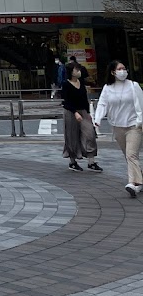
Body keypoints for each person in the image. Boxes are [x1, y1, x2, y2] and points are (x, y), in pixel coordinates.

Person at [94, 60, 143, 198]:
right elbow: (102, 104)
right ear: (113, 72)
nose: (123, 71)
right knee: (128, 156)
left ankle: (133, 183)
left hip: (134, 125)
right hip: (117, 127)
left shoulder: (133, 86)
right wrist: (97, 119)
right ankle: (140, 180)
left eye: (124, 68)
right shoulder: (107, 88)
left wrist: (140, 121)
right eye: (120, 69)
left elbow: (141, 104)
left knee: (131, 154)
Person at [61, 60, 101, 172]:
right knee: (71, 136)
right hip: (70, 112)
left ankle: (91, 162)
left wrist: (88, 113)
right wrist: (75, 112)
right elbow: (66, 102)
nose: (78, 71)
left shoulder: (81, 83)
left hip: (83, 111)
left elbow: (84, 99)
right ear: (71, 72)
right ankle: (73, 162)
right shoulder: (65, 84)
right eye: (76, 69)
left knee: (90, 134)